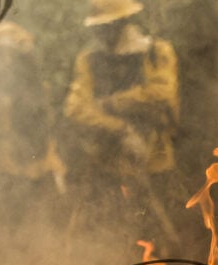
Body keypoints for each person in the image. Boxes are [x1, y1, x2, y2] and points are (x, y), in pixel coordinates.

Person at [62, 0, 181, 251]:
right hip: (107, 163)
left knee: (160, 236)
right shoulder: (89, 59)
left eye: (107, 26)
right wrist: (120, 129)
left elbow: (161, 93)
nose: (101, 33)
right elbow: (76, 108)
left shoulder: (155, 52)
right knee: (112, 238)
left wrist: (113, 103)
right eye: (99, 27)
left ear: (122, 23)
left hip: (154, 161)